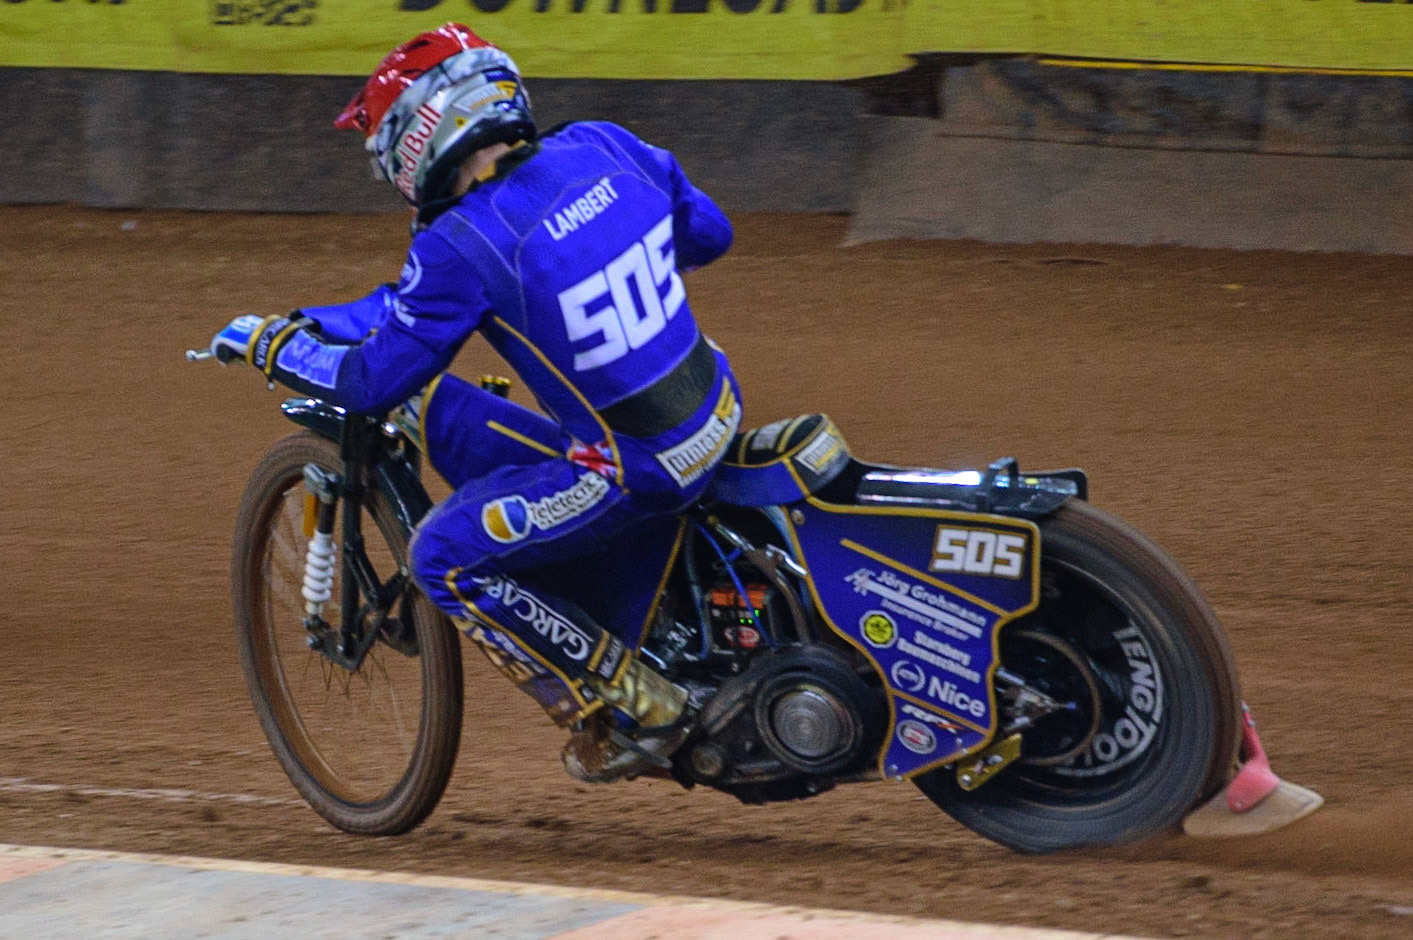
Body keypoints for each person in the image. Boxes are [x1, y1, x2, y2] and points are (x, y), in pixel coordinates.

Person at [207, 22, 740, 783]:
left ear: (421, 133)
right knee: (455, 410)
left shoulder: (460, 241)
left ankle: (637, 704)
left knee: (442, 557)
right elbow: (709, 236)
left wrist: (277, 346)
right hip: (714, 411)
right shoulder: (601, 143)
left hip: (640, 472)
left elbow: (369, 382)